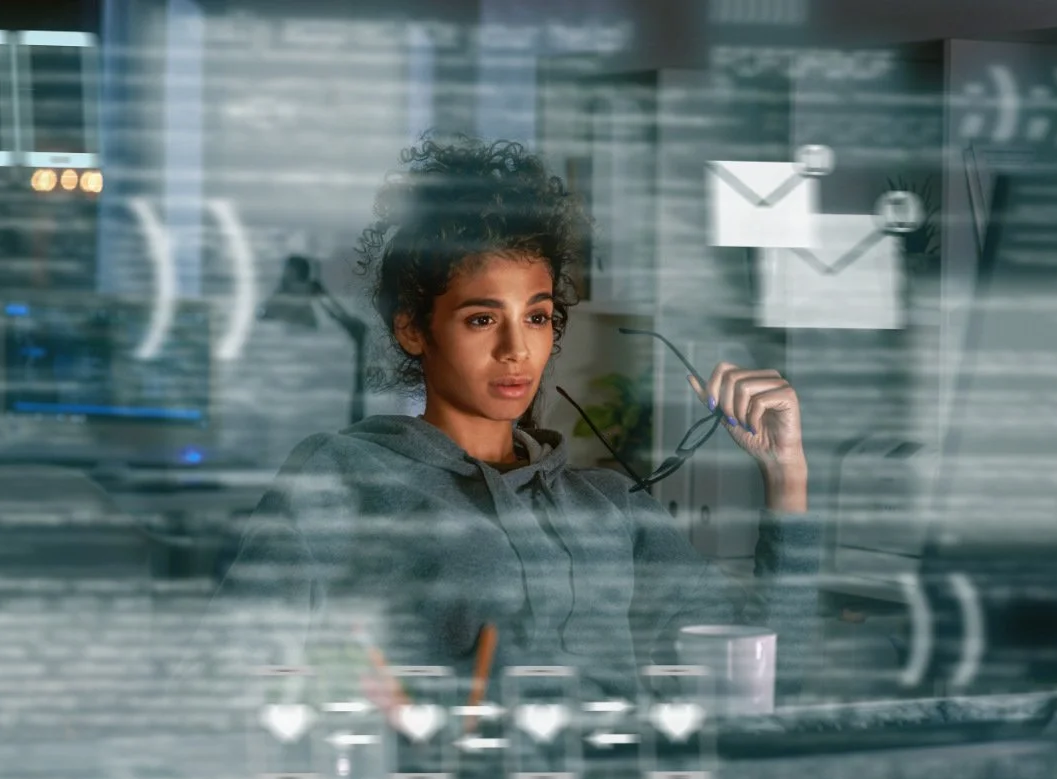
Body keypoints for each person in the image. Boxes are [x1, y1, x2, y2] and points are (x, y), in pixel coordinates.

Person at [218, 134, 822, 707]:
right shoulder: (343, 475)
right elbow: (232, 670)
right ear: (412, 328)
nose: (517, 350)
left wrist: (785, 477)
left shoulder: (609, 506)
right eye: (482, 319)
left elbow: (769, 679)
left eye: (536, 317)